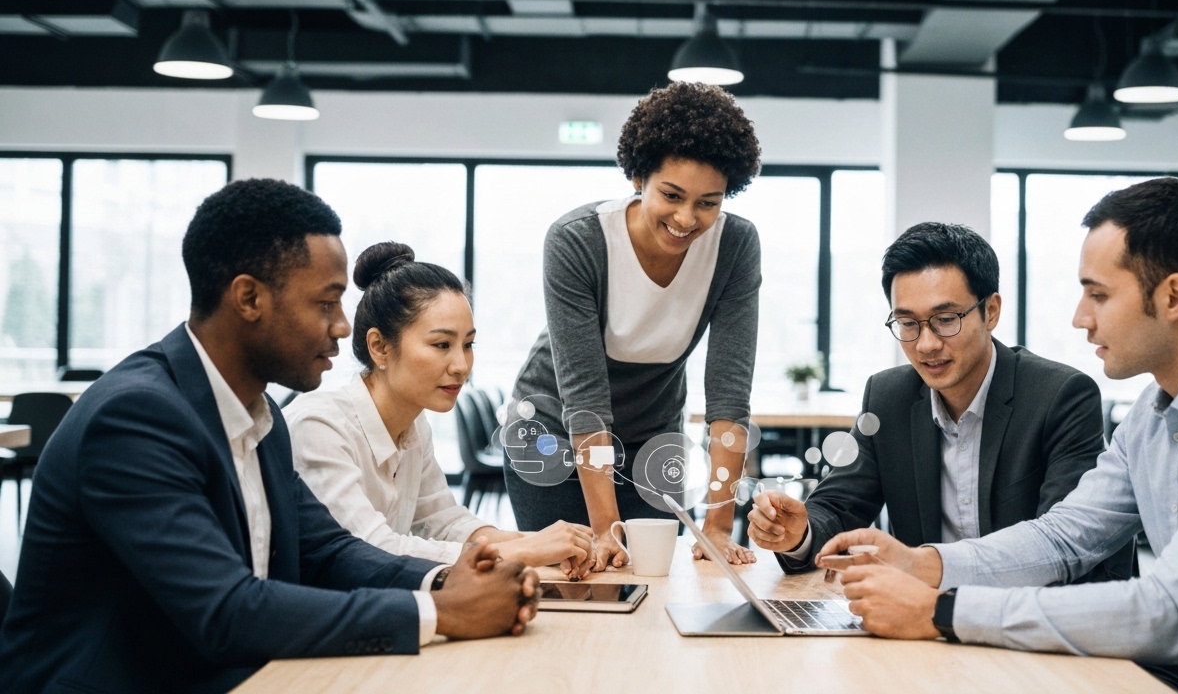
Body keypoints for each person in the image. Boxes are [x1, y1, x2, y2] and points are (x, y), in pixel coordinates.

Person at [819, 178, 1178, 694]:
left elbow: (1169, 612)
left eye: (1098, 294)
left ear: (1174, 297)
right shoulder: (1152, 414)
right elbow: (1062, 539)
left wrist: (943, 611)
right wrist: (922, 563)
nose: (1080, 317)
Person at [0, 179, 540, 694]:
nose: (343, 326)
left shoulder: (261, 418)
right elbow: (226, 610)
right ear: (249, 299)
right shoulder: (136, 418)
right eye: (325, 303)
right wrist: (440, 611)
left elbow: (328, 551)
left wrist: (450, 580)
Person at [748, 223, 1131, 583]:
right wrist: (798, 533)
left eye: (946, 319)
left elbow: (1065, 547)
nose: (926, 344)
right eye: (908, 323)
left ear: (991, 311)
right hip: (921, 618)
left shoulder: (1059, 396)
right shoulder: (888, 397)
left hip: (1024, 615)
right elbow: (838, 505)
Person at [510, 81, 763, 574]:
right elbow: (584, 400)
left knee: (655, 580)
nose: (686, 218)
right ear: (637, 176)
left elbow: (729, 396)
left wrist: (718, 524)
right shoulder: (577, 240)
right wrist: (605, 527)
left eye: (708, 202)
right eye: (671, 195)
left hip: (653, 438)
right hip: (553, 435)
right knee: (572, 583)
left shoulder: (735, 246)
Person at [285, 241, 593, 570]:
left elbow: (444, 521)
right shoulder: (319, 427)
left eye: (468, 344)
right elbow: (370, 550)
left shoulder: (414, 426)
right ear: (379, 347)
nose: (461, 365)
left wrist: (540, 542)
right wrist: (526, 550)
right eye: (442, 344)